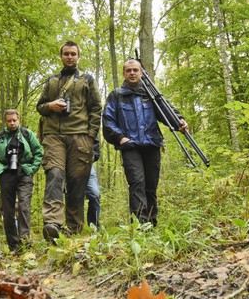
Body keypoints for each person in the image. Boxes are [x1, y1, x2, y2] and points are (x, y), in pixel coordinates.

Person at [102, 59, 187, 226]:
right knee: (137, 182)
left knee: (151, 186)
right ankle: (141, 225)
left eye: (135, 70)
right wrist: (120, 137)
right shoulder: (116, 95)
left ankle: (152, 222)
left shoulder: (151, 94)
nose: (132, 73)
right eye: (129, 70)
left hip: (152, 144)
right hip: (130, 146)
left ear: (141, 73)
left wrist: (179, 121)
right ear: (124, 74)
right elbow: (108, 121)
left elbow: (166, 111)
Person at [36, 41, 102, 241]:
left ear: (78, 57)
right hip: (54, 136)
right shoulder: (52, 80)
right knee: (54, 174)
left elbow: (96, 109)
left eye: (73, 54)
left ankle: (74, 231)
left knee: (77, 183)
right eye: (66, 53)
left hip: (81, 137)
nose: (69, 57)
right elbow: (40, 107)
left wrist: (90, 136)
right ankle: (53, 223)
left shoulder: (87, 80)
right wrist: (51, 106)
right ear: (61, 56)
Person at [0, 109, 44, 252]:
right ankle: (13, 244)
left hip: (24, 173)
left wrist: (31, 169)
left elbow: (39, 152)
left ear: (19, 120)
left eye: (14, 120)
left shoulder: (26, 134)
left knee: (24, 205)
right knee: (8, 210)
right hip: (6, 174)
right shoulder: (0, 137)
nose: (12, 123)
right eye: (9, 121)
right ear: (5, 121)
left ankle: (25, 241)